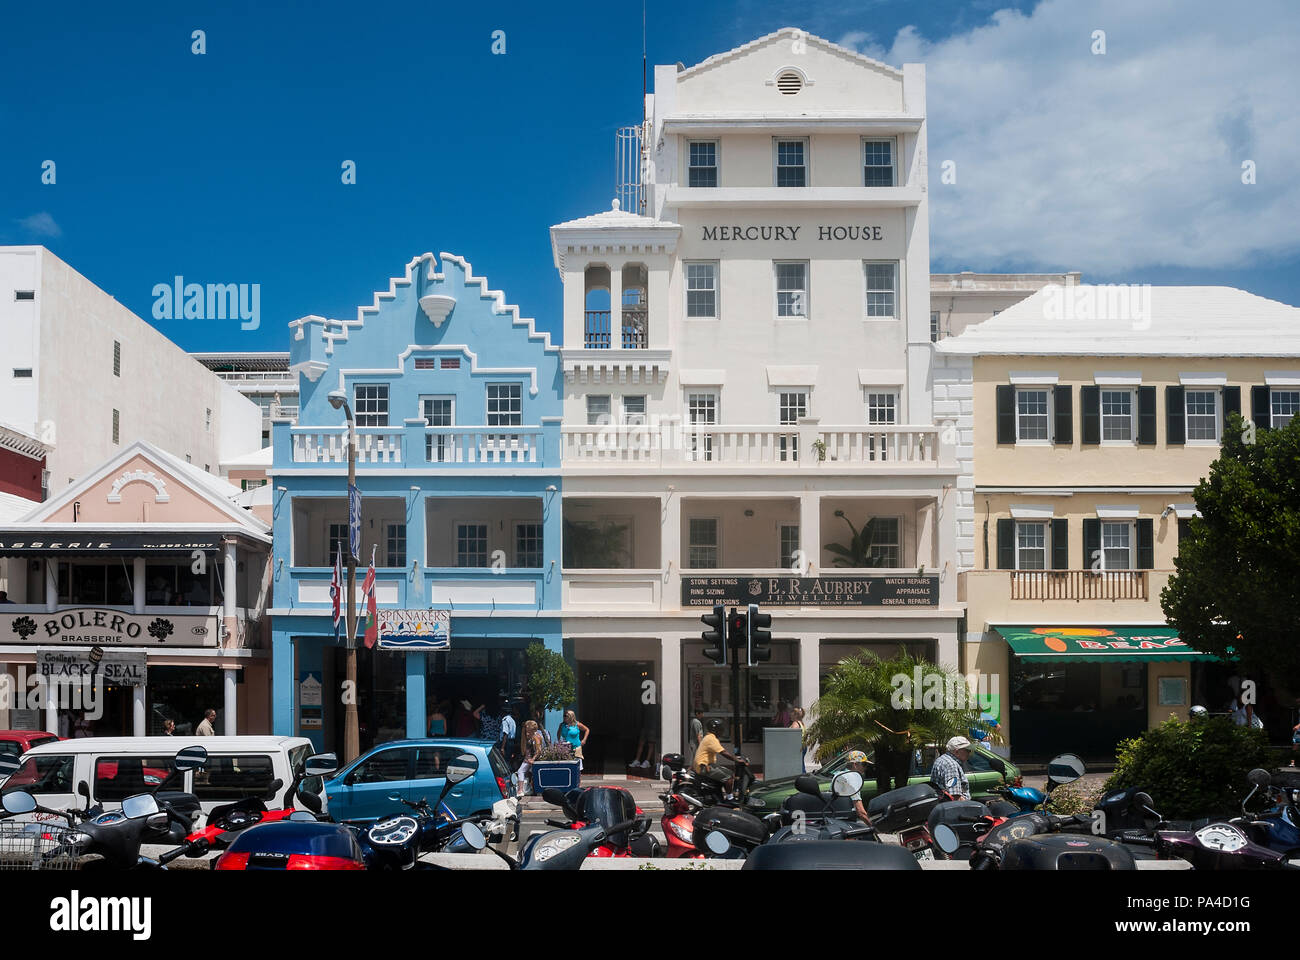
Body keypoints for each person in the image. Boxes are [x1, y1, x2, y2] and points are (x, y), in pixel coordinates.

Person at [693, 718, 746, 795]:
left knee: (725, 772)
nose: (722, 731)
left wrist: (736, 758)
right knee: (729, 776)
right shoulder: (711, 739)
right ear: (715, 730)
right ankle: (729, 798)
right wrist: (736, 760)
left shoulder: (708, 737)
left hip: (705, 765)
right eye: (721, 729)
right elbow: (723, 753)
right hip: (704, 767)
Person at [930, 736, 972, 801]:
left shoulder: (942, 759)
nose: (969, 753)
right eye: (967, 750)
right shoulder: (951, 765)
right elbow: (955, 797)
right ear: (957, 752)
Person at [841, 750, 874, 826]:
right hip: (847, 822)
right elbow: (860, 812)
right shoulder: (852, 779)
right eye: (864, 764)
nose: (866, 768)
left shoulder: (838, 775)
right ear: (855, 764)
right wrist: (874, 827)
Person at [515, 720, 543, 795]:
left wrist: (532, 759)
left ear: (533, 730)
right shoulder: (534, 736)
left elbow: (538, 750)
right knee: (530, 774)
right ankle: (527, 789)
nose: (527, 733)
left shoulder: (535, 737)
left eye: (528, 731)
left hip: (531, 759)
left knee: (521, 771)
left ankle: (520, 790)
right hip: (529, 759)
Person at [789, 707, 807, 772]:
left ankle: (803, 778)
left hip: (798, 747)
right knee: (801, 764)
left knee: (799, 765)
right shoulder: (801, 723)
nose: (790, 716)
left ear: (795, 715)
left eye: (791, 714)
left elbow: (793, 736)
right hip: (803, 746)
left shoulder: (795, 724)